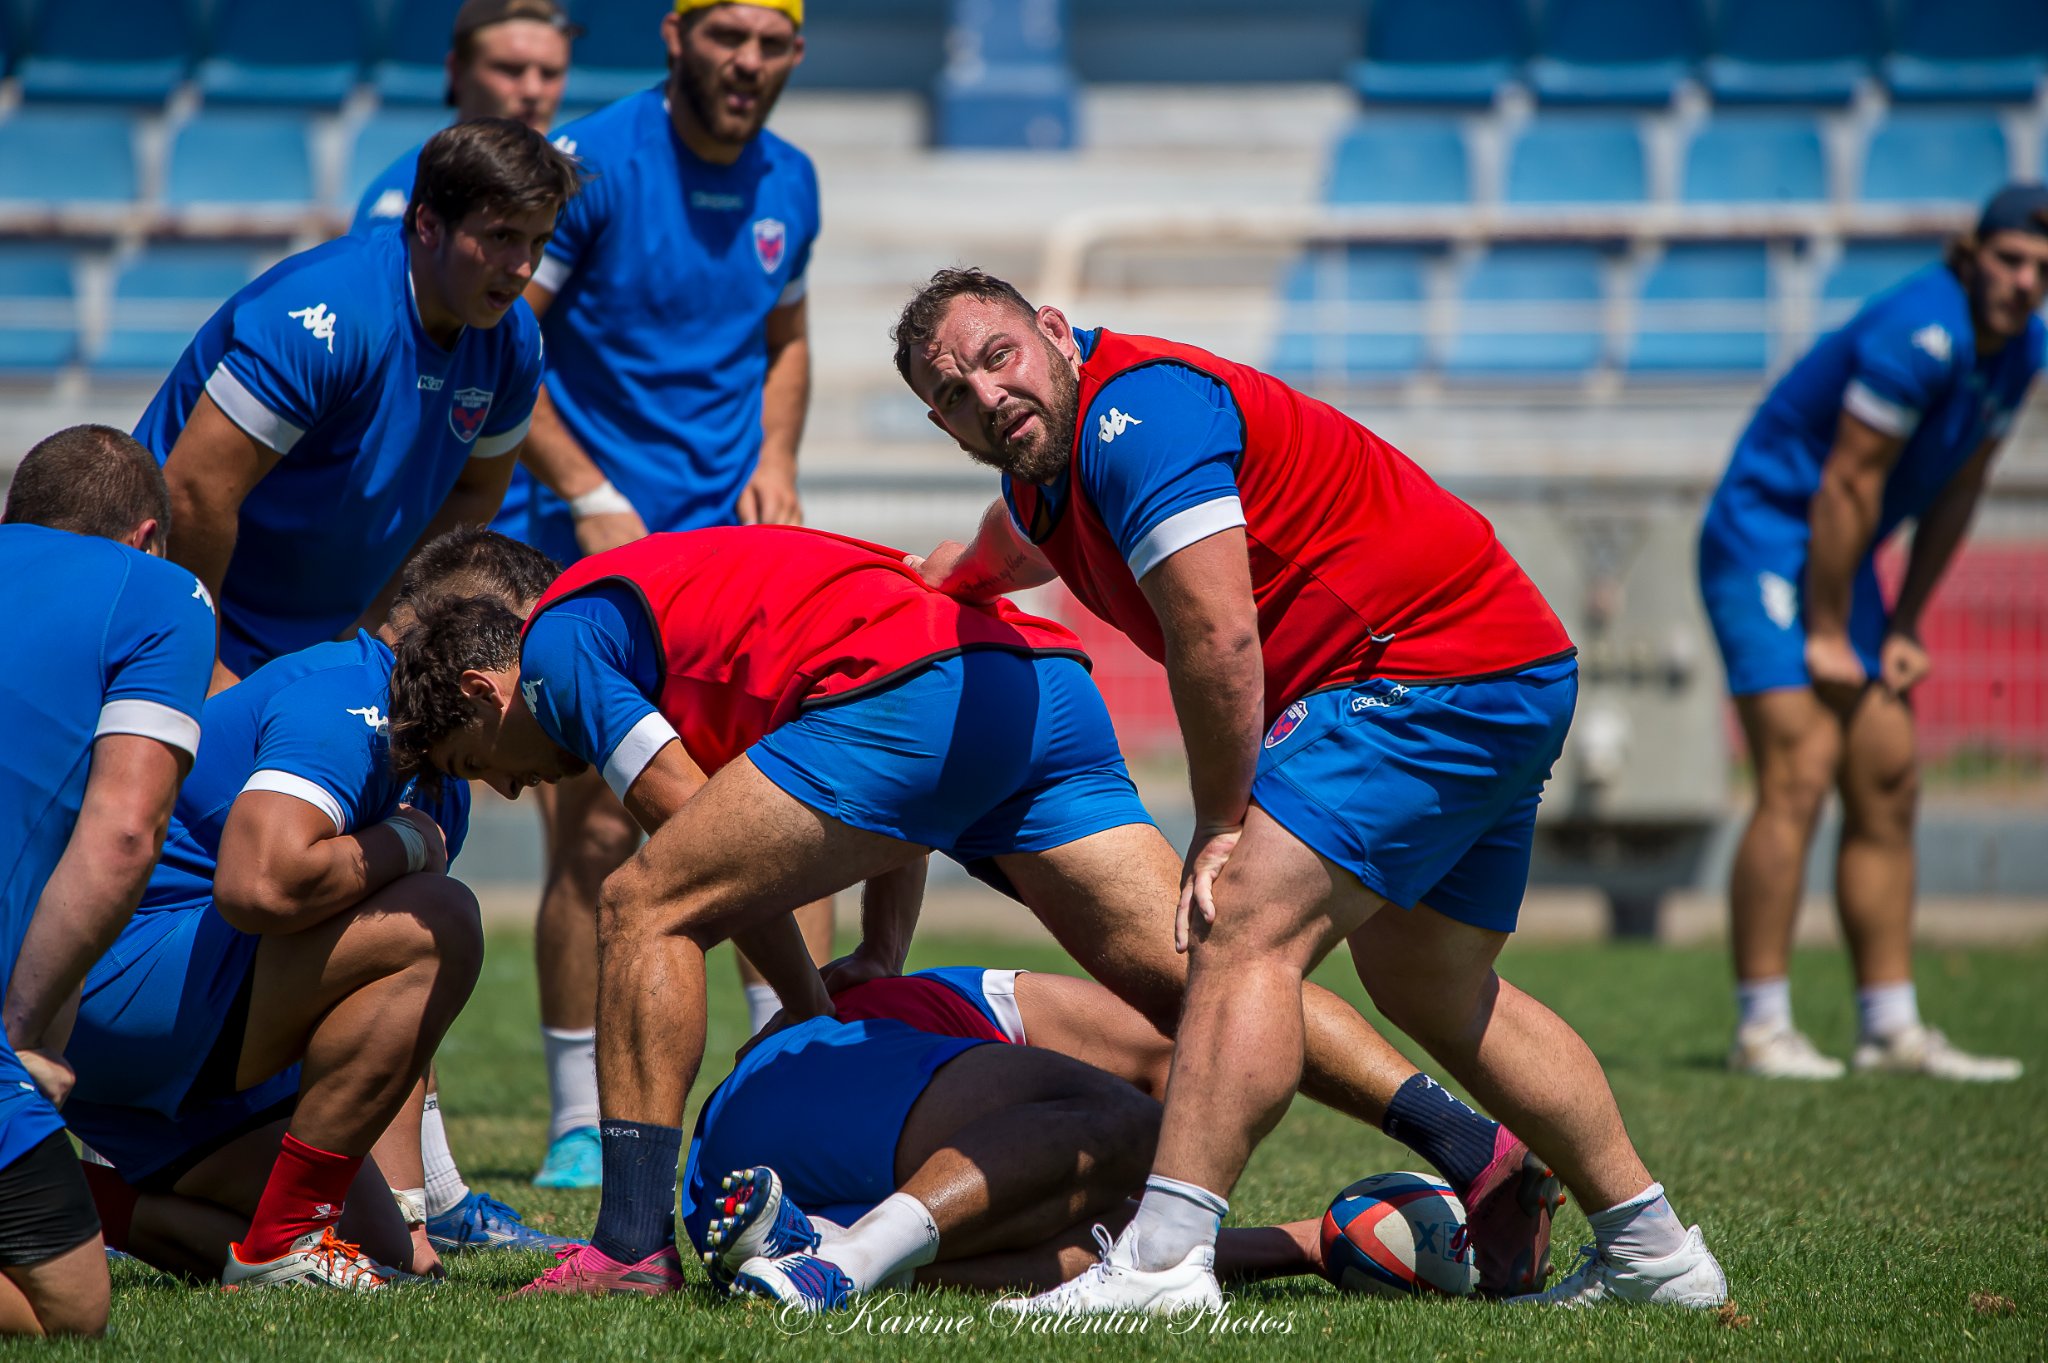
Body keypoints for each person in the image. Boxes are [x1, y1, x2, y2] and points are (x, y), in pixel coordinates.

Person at [389, 525, 1563, 1301]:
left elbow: (683, 834)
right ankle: (1474, 1146)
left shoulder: (559, 644)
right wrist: (878, 955)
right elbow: (883, 729)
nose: (503, 787)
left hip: (916, 697)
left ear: (492, 692)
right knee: (1208, 972)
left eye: (473, 757)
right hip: (1025, 686)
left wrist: (802, 1012)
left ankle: (631, 1245)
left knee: (641, 904)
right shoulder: (708, 600)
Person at [896, 269, 1727, 1312]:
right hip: (1500, 666)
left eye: (997, 356)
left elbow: (1217, 636)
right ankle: (1653, 1251)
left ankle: (1159, 1260)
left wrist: (1217, 822)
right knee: (1434, 985)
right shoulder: (1047, 469)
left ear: (1053, 332)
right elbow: (1014, 540)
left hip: (1425, 670)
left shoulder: (1133, 411)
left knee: (1240, 927)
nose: (987, 395)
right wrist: (946, 582)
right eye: (955, 398)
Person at [486, 0, 825, 1189]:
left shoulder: (795, 180)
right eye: (724, 36)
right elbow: (503, 343)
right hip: (591, 556)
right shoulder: (592, 166)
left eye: (768, 42)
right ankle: (580, 1117)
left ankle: (802, 1077)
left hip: (724, 567)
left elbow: (786, 338)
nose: (745, 62)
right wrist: (585, 488)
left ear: (794, 54)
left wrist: (776, 458)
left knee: (775, 810)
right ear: (677, 37)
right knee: (591, 832)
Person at [58, 563, 501, 1289]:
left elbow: (389, 1016)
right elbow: (256, 886)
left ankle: (67, 1200)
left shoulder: (444, 785)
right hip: (118, 999)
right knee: (440, 919)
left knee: (376, 1254)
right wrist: (408, 844)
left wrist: (411, 1214)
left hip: (194, 1032)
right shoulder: (351, 697)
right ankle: (283, 1237)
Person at [1699, 186, 2045, 1083]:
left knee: (1887, 773)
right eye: (2012, 259)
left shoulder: (2023, 352)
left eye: (2043, 271)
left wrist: (1903, 623)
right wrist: (1824, 631)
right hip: (1766, 542)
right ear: (1971, 254)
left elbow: (1960, 489)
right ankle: (1761, 1027)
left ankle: (1889, 1028)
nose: (2025, 282)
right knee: (1800, 765)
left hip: (1841, 564)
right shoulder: (1917, 334)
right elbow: (1849, 483)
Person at [135, 117, 579, 689]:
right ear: (428, 224)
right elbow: (194, 493)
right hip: (176, 610)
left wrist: (383, 623)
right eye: (500, 237)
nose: (523, 267)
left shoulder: (513, 340)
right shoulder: (329, 314)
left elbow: (474, 492)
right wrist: (206, 661)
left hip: (313, 641)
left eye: (538, 241)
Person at [692, 966, 1336, 1310]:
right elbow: (1171, 1057)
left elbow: (1147, 1250)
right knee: (1133, 1126)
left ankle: (811, 1251)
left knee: (1118, 1251)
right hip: (796, 1088)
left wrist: (1305, 1246)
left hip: (737, 1190)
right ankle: (843, 1265)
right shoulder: (993, 1000)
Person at [0, 428, 215, 1335]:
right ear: (145, 536)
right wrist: (16, 1038)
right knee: (71, 1308)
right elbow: (127, 832)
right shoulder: (162, 593)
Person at [351, 0, 579, 236]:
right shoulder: (404, 196)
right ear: (457, 72)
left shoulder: (589, 191)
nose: (533, 90)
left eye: (550, 73)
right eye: (510, 69)